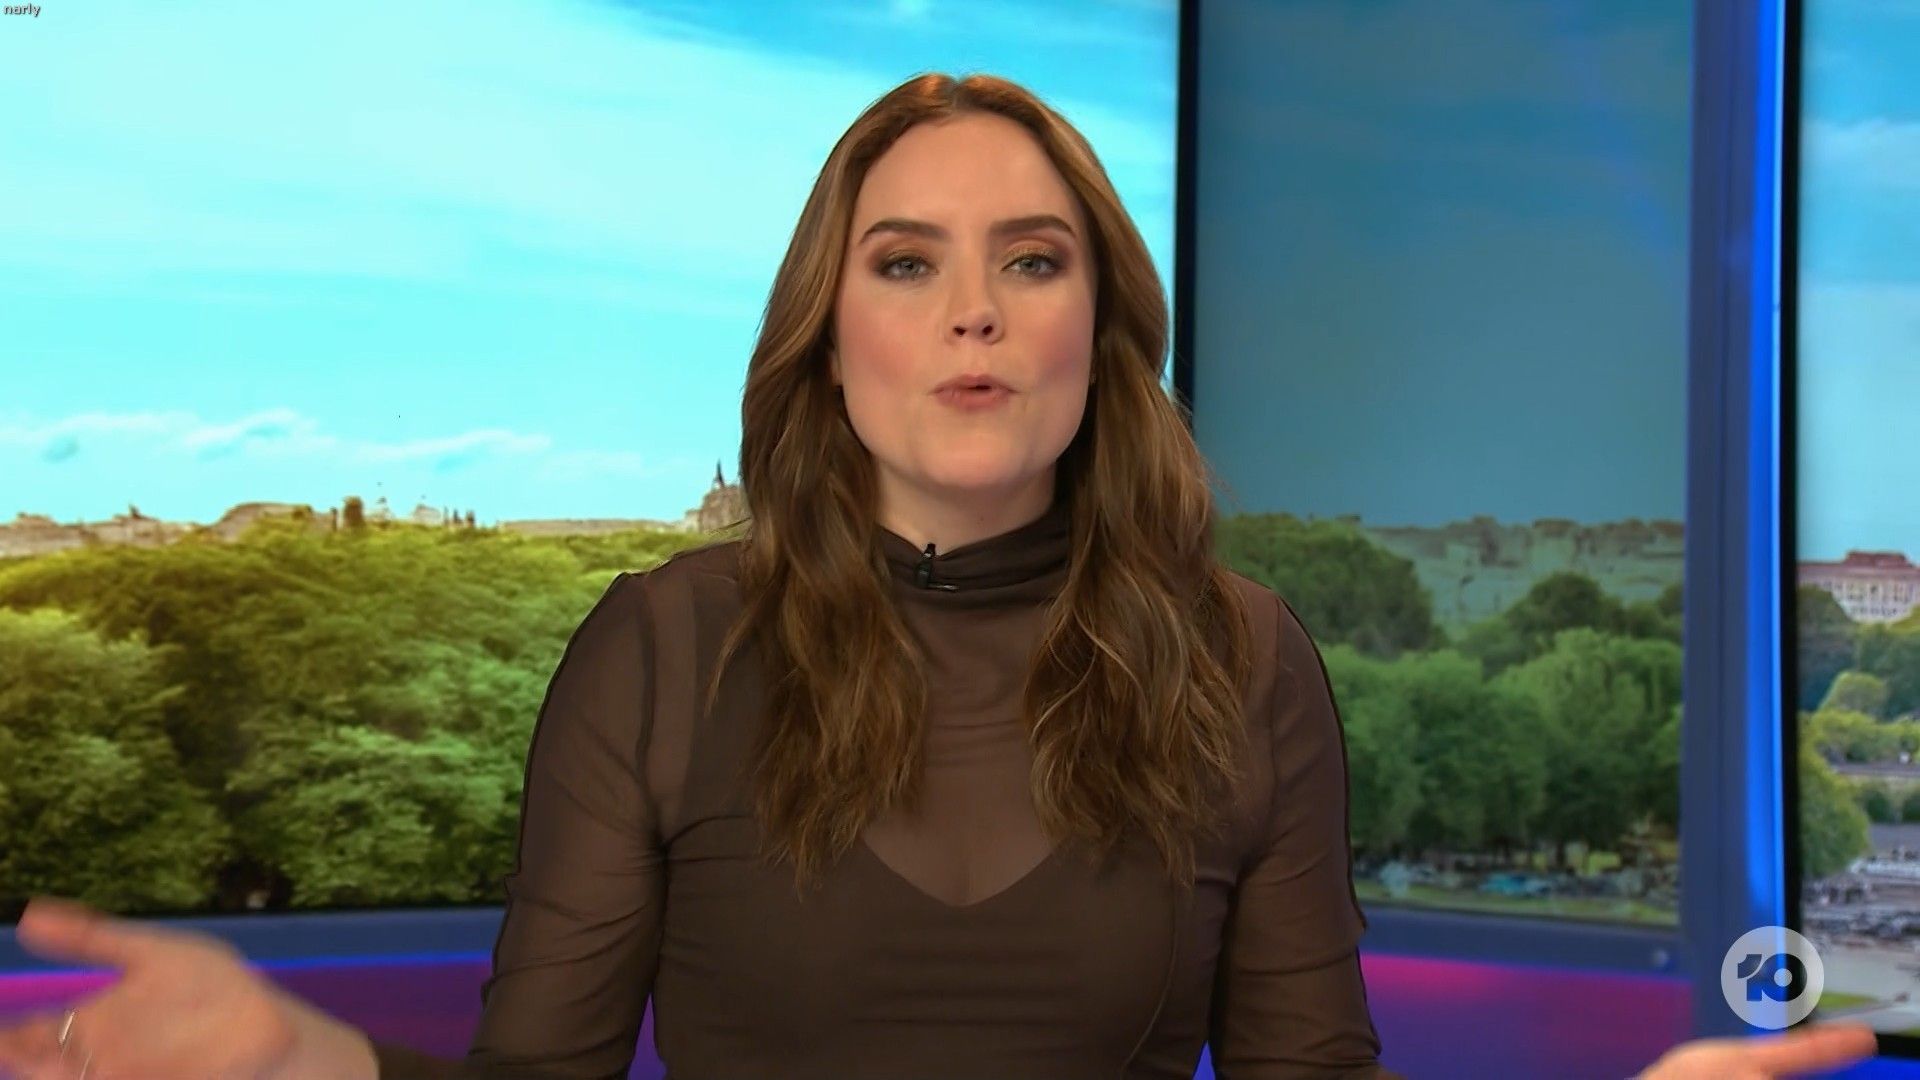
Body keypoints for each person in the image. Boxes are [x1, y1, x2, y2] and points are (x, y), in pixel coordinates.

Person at [0, 72, 1884, 1080]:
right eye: (905, 262)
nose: (974, 310)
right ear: (829, 338)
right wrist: (309, 1073)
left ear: (1099, 331)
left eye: (1031, 260)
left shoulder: (1247, 660)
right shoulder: (658, 650)